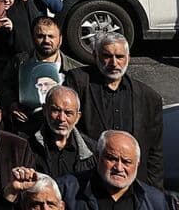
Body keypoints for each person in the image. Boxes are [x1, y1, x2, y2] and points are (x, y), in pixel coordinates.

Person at [64, 33, 164, 185]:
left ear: (128, 58)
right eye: (107, 56)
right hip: (88, 180)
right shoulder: (78, 83)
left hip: (131, 184)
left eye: (119, 57)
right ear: (95, 56)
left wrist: (155, 191)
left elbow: (155, 153)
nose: (114, 63)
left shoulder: (149, 98)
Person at [58, 132, 165, 210]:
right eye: (112, 159)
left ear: (137, 164)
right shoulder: (66, 190)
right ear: (97, 157)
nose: (119, 168)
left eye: (126, 162)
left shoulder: (155, 201)